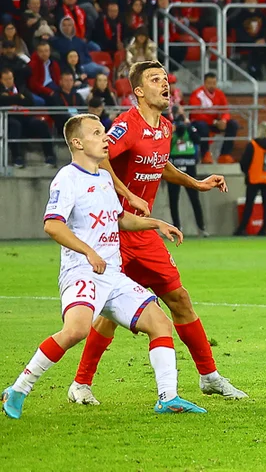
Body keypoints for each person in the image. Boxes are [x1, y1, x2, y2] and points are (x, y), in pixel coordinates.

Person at [66, 61, 246, 406]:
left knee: (179, 299)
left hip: (144, 233)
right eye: (154, 80)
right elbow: (100, 158)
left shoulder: (164, 127)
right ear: (138, 91)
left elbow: (160, 163)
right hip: (114, 230)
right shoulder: (124, 126)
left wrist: (196, 182)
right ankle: (80, 383)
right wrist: (128, 194)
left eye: (165, 79)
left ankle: (209, 377)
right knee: (107, 313)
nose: (164, 84)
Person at [2, 114, 205, 419]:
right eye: (97, 133)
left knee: (160, 324)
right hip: (82, 271)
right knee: (76, 330)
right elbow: (52, 226)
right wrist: (89, 253)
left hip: (112, 274)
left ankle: (168, 397)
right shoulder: (67, 179)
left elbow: (119, 219)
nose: (105, 138)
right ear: (77, 143)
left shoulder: (105, 178)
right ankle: (19, 388)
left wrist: (156, 224)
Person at [0, 67, 56, 166]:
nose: (9, 81)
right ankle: (17, 157)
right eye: (6, 79)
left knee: (41, 124)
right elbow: (2, 101)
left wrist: (10, 99)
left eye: (10, 78)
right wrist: (18, 98)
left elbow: (30, 102)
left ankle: (50, 156)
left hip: (25, 118)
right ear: (1, 80)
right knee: (15, 125)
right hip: (8, 119)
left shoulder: (22, 89)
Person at [235, 121, 266, 236]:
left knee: (249, 204)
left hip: (254, 177)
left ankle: (242, 228)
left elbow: (245, 162)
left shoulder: (253, 144)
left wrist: (246, 172)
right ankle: (264, 229)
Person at [167, 106, 206, 237]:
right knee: (173, 198)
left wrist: (188, 127)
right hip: (174, 165)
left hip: (189, 165)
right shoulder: (168, 127)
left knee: (194, 197)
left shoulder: (190, 127)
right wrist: (173, 131)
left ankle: (201, 227)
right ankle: (177, 227)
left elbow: (197, 139)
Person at [188, 72, 240, 163]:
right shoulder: (197, 94)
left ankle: (224, 155)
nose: (212, 86)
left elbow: (225, 110)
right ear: (204, 83)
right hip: (200, 122)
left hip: (215, 122)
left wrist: (224, 120)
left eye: (214, 83)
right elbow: (196, 114)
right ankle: (205, 154)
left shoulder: (219, 94)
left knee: (233, 125)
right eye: (209, 83)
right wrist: (214, 122)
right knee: (202, 126)